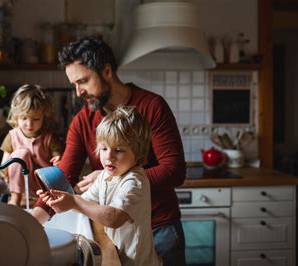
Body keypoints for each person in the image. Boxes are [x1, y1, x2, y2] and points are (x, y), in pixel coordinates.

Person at [32, 37, 186, 265]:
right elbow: (64, 176)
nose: (78, 92)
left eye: (83, 81)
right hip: (115, 234)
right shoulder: (83, 120)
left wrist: (113, 178)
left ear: (106, 71)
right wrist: (33, 220)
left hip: (159, 228)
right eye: (74, 84)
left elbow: (174, 170)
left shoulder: (152, 106)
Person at [39, 106, 161, 265]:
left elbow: (114, 218)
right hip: (120, 257)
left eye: (118, 150)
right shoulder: (106, 175)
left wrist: (74, 202)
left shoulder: (134, 181)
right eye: (104, 148)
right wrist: (62, 201)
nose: (108, 156)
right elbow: (87, 202)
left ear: (137, 153)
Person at [0, 84, 63, 206]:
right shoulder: (12, 136)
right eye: (24, 118)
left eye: (36, 119)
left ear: (44, 116)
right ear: (16, 116)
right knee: (20, 154)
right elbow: (5, 166)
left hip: (44, 184)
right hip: (20, 185)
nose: (29, 124)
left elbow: (59, 161)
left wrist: (58, 161)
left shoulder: (49, 137)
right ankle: (15, 199)